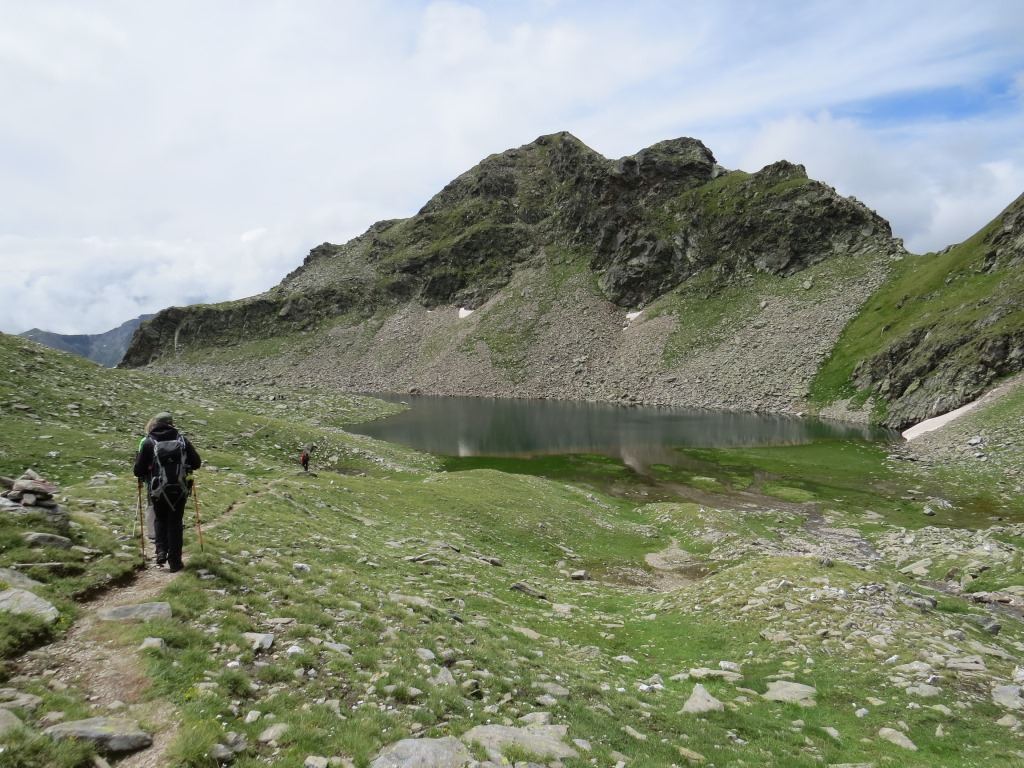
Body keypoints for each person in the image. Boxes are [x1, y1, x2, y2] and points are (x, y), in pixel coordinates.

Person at [133, 412, 201, 572]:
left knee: (160, 519)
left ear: (156, 423)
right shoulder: (182, 440)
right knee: (175, 523)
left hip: (157, 490)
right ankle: (175, 563)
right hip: (179, 489)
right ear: (172, 423)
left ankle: (161, 552)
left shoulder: (149, 442)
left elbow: (138, 470)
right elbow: (196, 463)